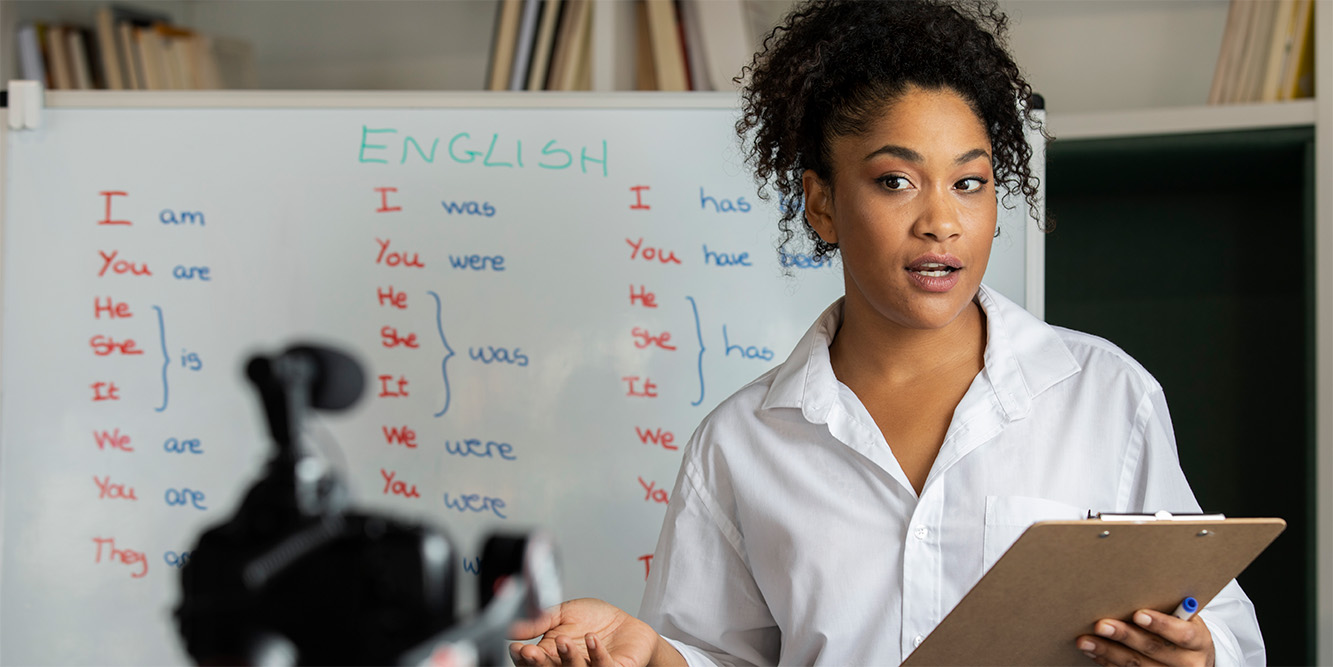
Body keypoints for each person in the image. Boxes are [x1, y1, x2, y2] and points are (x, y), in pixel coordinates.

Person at [511, 0, 1267, 665]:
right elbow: (719, 656)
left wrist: (1197, 653)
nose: (941, 219)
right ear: (822, 203)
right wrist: (652, 657)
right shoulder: (740, 442)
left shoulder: (1102, 393)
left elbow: (1220, 622)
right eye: (894, 180)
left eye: (968, 182)